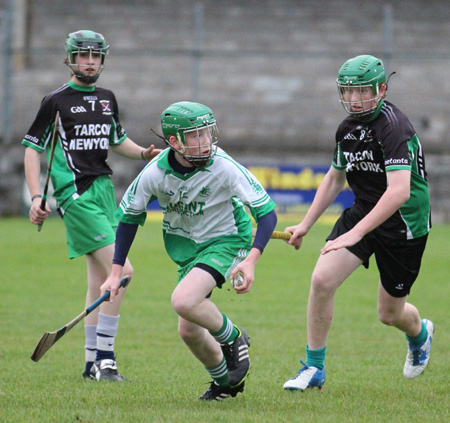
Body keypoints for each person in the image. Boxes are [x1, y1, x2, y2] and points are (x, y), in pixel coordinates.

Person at [100, 101, 278, 400]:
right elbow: (129, 219)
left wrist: (251, 260)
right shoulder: (154, 173)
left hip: (227, 240)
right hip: (187, 252)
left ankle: (234, 338)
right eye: (195, 135)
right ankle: (226, 384)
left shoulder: (224, 166)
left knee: (183, 300)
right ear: (174, 142)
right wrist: (115, 272)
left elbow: (267, 214)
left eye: (207, 132)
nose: (205, 141)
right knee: (189, 331)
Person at [283, 55, 433, 391]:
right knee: (322, 279)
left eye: (361, 91)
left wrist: (355, 232)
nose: (353, 99)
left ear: (382, 89)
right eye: (347, 91)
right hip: (364, 210)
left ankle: (420, 333)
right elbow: (334, 179)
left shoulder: (395, 127)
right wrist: (306, 224)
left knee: (389, 314)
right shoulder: (347, 128)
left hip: (403, 224)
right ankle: (314, 368)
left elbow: (398, 193)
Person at [22, 30, 161, 381]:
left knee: (100, 278)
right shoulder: (55, 101)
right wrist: (38, 194)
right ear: (70, 59)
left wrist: (144, 152)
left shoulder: (106, 98)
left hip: (103, 190)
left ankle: (89, 364)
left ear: (102, 60)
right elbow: (32, 149)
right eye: (83, 55)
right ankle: (106, 359)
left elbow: (116, 140)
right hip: (76, 194)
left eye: (95, 56)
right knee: (123, 272)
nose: (89, 61)